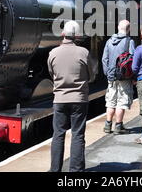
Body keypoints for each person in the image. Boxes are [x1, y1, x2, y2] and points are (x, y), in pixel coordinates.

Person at [47, 20, 97, 172]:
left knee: (58, 135)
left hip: (60, 99)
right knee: (77, 134)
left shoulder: (52, 53)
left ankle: (55, 169)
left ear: (63, 34)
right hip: (79, 99)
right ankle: (75, 170)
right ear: (77, 36)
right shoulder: (83, 52)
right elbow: (91, 75)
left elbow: (51, 73)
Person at [102, 20, 135, 135]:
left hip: (111, 77)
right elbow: (132, 60)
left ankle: (107, 124)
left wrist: (108, 73)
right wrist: (132, 75)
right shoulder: (129, 41)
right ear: (129, 29)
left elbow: (104, 59)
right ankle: (118, 126)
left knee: (111, 101)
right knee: (121, 101)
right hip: (124, 77)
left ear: (117, 27)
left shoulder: (109, 41)